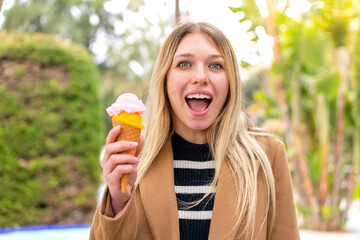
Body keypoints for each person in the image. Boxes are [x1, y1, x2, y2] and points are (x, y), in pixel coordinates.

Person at [90, 20, 300, 240]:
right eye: (184, 64)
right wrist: (117, 200)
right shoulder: (134, 159)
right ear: (165, 79)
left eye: (216, 65)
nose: (200, 77)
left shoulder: (268, 154)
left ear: (231, 82)